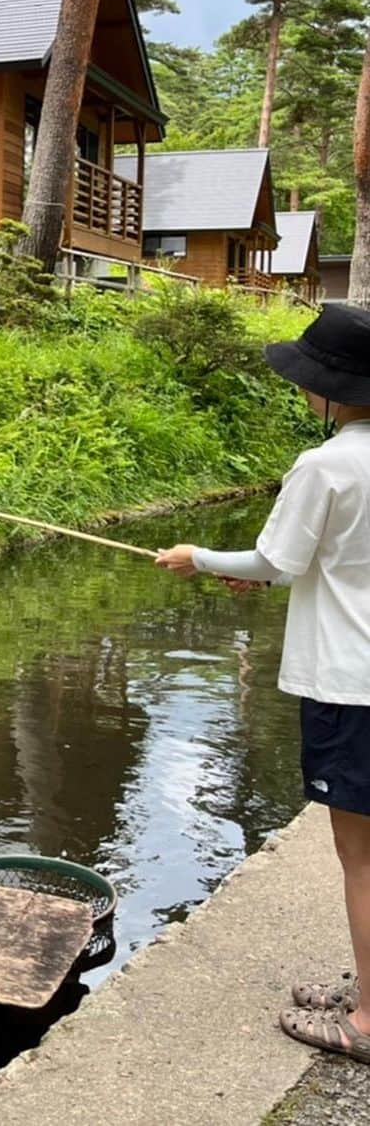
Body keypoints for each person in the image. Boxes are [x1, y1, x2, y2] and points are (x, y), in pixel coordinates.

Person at [155, 304, 370, 1066]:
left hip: (353, 685)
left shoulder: (327, 464)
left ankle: (368, 1019)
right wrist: (267, 571)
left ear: (332, 389)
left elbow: (276, 561)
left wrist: (200, 557)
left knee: (362, 853)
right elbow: (326, 562)